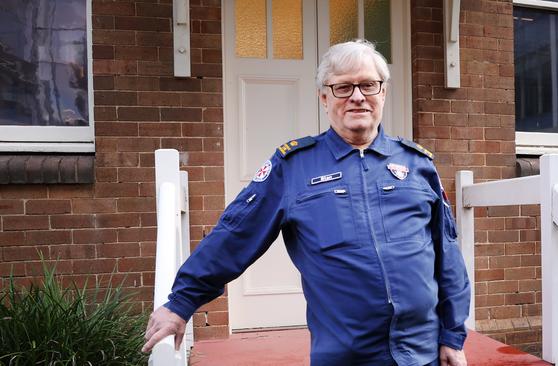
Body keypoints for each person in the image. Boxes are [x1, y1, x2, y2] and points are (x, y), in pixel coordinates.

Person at [143, 39, 471, 366]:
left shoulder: (418, 165)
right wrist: (181, 302)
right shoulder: (293, 166)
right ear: (324, 97)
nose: (358, 97)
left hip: (421, 353)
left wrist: (453, 336)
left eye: (369, 85)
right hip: (346, 357)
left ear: (383, 92)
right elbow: (235, 234)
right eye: (343, 87)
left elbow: (448, 257)